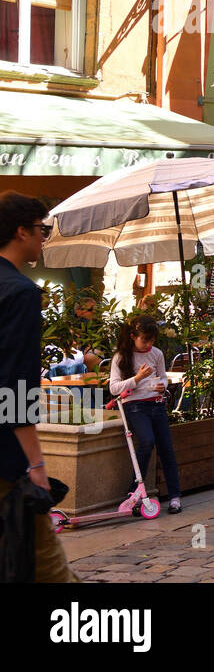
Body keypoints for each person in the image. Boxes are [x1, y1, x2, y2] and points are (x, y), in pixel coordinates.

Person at [0, 192, 78, 582]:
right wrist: (36, 463)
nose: (44, 238)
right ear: (20, 231)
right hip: (5, 459)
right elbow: (15, 387)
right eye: (42, 229)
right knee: (48, 568)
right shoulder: (21, 293)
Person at [109, 315, 182, 513]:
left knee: (166, 448)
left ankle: (175, 496)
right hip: (134, 405)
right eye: (144, 340)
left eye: (151, 340)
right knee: (147, 441)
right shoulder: (121, 357)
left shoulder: (156, 353)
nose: (148, 344)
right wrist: (137, 378)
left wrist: (162, 386)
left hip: (156, 403)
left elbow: (164, 377)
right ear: (133, 336)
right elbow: (114, 388)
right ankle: (135, 492)